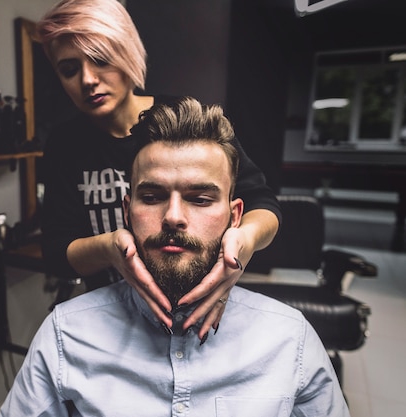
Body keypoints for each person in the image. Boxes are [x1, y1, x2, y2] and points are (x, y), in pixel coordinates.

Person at [0, 97, 348, 416]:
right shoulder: (65, 336)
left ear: (235, 216)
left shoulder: (289, 340)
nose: (173, 217)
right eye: (151, 197)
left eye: (200, 198)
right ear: (126, 211)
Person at [37, 0, 281, 338]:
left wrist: (244, 241)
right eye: (69, 69)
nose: (88, 80)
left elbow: (262, 204)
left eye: (101, 59)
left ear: (126, 53)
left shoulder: (182, 120)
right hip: (114, 315)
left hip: (198, 307)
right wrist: (110, 247)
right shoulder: (65, 144)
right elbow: (55, 251)